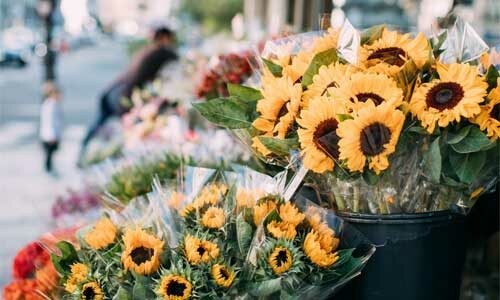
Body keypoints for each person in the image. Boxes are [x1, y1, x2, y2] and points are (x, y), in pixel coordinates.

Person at [78, 26, 178, 163]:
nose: (172, 42)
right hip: (121, 96)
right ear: (165, 38)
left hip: (112, 92)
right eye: (171, 39)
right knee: (116, 136)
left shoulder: (146, 52)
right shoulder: (162, 53)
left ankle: (83, 155)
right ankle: (88, 158)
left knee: (99, 126)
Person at [39, 82, 63, 174]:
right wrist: (53, 135)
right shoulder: (51, 105)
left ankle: (49, 169)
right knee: (49, 154)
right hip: (50, 135)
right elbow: (50, 121)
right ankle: (48, 170)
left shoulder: (49, 104)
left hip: (48, 134)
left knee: (50, 154)